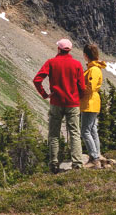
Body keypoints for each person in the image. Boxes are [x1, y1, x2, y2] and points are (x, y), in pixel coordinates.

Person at [33, 38, 87, 171]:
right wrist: (78, 97)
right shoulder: (76, 64)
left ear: (59, 49)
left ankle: (54, 164)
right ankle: (77, 164)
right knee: (74, 132)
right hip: (72, 103)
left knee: (54, 134)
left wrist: (45, 94)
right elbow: (82, 87)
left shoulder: (51, 63)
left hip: (56, 103)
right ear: (70, 49)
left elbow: (37, 80)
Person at [81, 42, 109, 167]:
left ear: (86, 55)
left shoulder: (92, 70)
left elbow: (90, 87)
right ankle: (97, 153)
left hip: (89, 102)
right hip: (93, 101)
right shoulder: (95, 68)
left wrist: (78, 89)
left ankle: (94, 157)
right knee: (92, 130)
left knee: (85, 131)